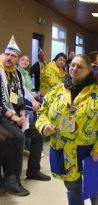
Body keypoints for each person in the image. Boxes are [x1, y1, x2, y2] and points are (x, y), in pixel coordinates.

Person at [36, 55, 98, 205]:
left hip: (91, 151)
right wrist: (44, 126)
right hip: (64, 149)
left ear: (89, 70)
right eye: (72, 65)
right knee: (73, 190)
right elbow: (42, 113)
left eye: (80, 66)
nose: (74, 69)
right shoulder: (56, 91)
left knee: (95, 190)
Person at [0, 36, 50, 196]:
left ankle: (33, 170)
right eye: (7, 54)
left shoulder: (16, 74)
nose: (9, 58)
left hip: (15, 116)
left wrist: (22, 113)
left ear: (17, 59)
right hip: (3, 117)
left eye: (13, 56)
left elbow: (20, 96)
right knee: (18, 137)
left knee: (37, 134)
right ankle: (12, 180)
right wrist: (13, 117)